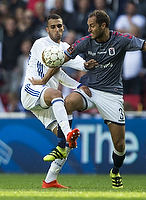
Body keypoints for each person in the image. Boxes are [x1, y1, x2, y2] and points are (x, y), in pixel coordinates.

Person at [31, 10, 146, 188]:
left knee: (120, 144)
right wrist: (44, 81)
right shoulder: (85, 42)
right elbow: (60, 60)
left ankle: (115, 170)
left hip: (111, 94)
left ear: (103, 25)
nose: (89, 29)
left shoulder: (121, 40)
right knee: (67, 102)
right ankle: (63, 142)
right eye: (88, 26)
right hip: (89, 89)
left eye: (92, 26)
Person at [20, 13, 92, 189]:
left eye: (60, 26)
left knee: (65, 142)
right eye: (53, 26)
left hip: (47, 101)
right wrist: (77, 85)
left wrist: (86, 66)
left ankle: (50, 180)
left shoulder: (66, 47)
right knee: (57, 95)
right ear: (47, 29)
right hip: (32, 89)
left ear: (63, 27)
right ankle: (67, 135)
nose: (57, 29)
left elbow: (80, 65)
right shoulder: (40, 44)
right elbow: (56, 67)